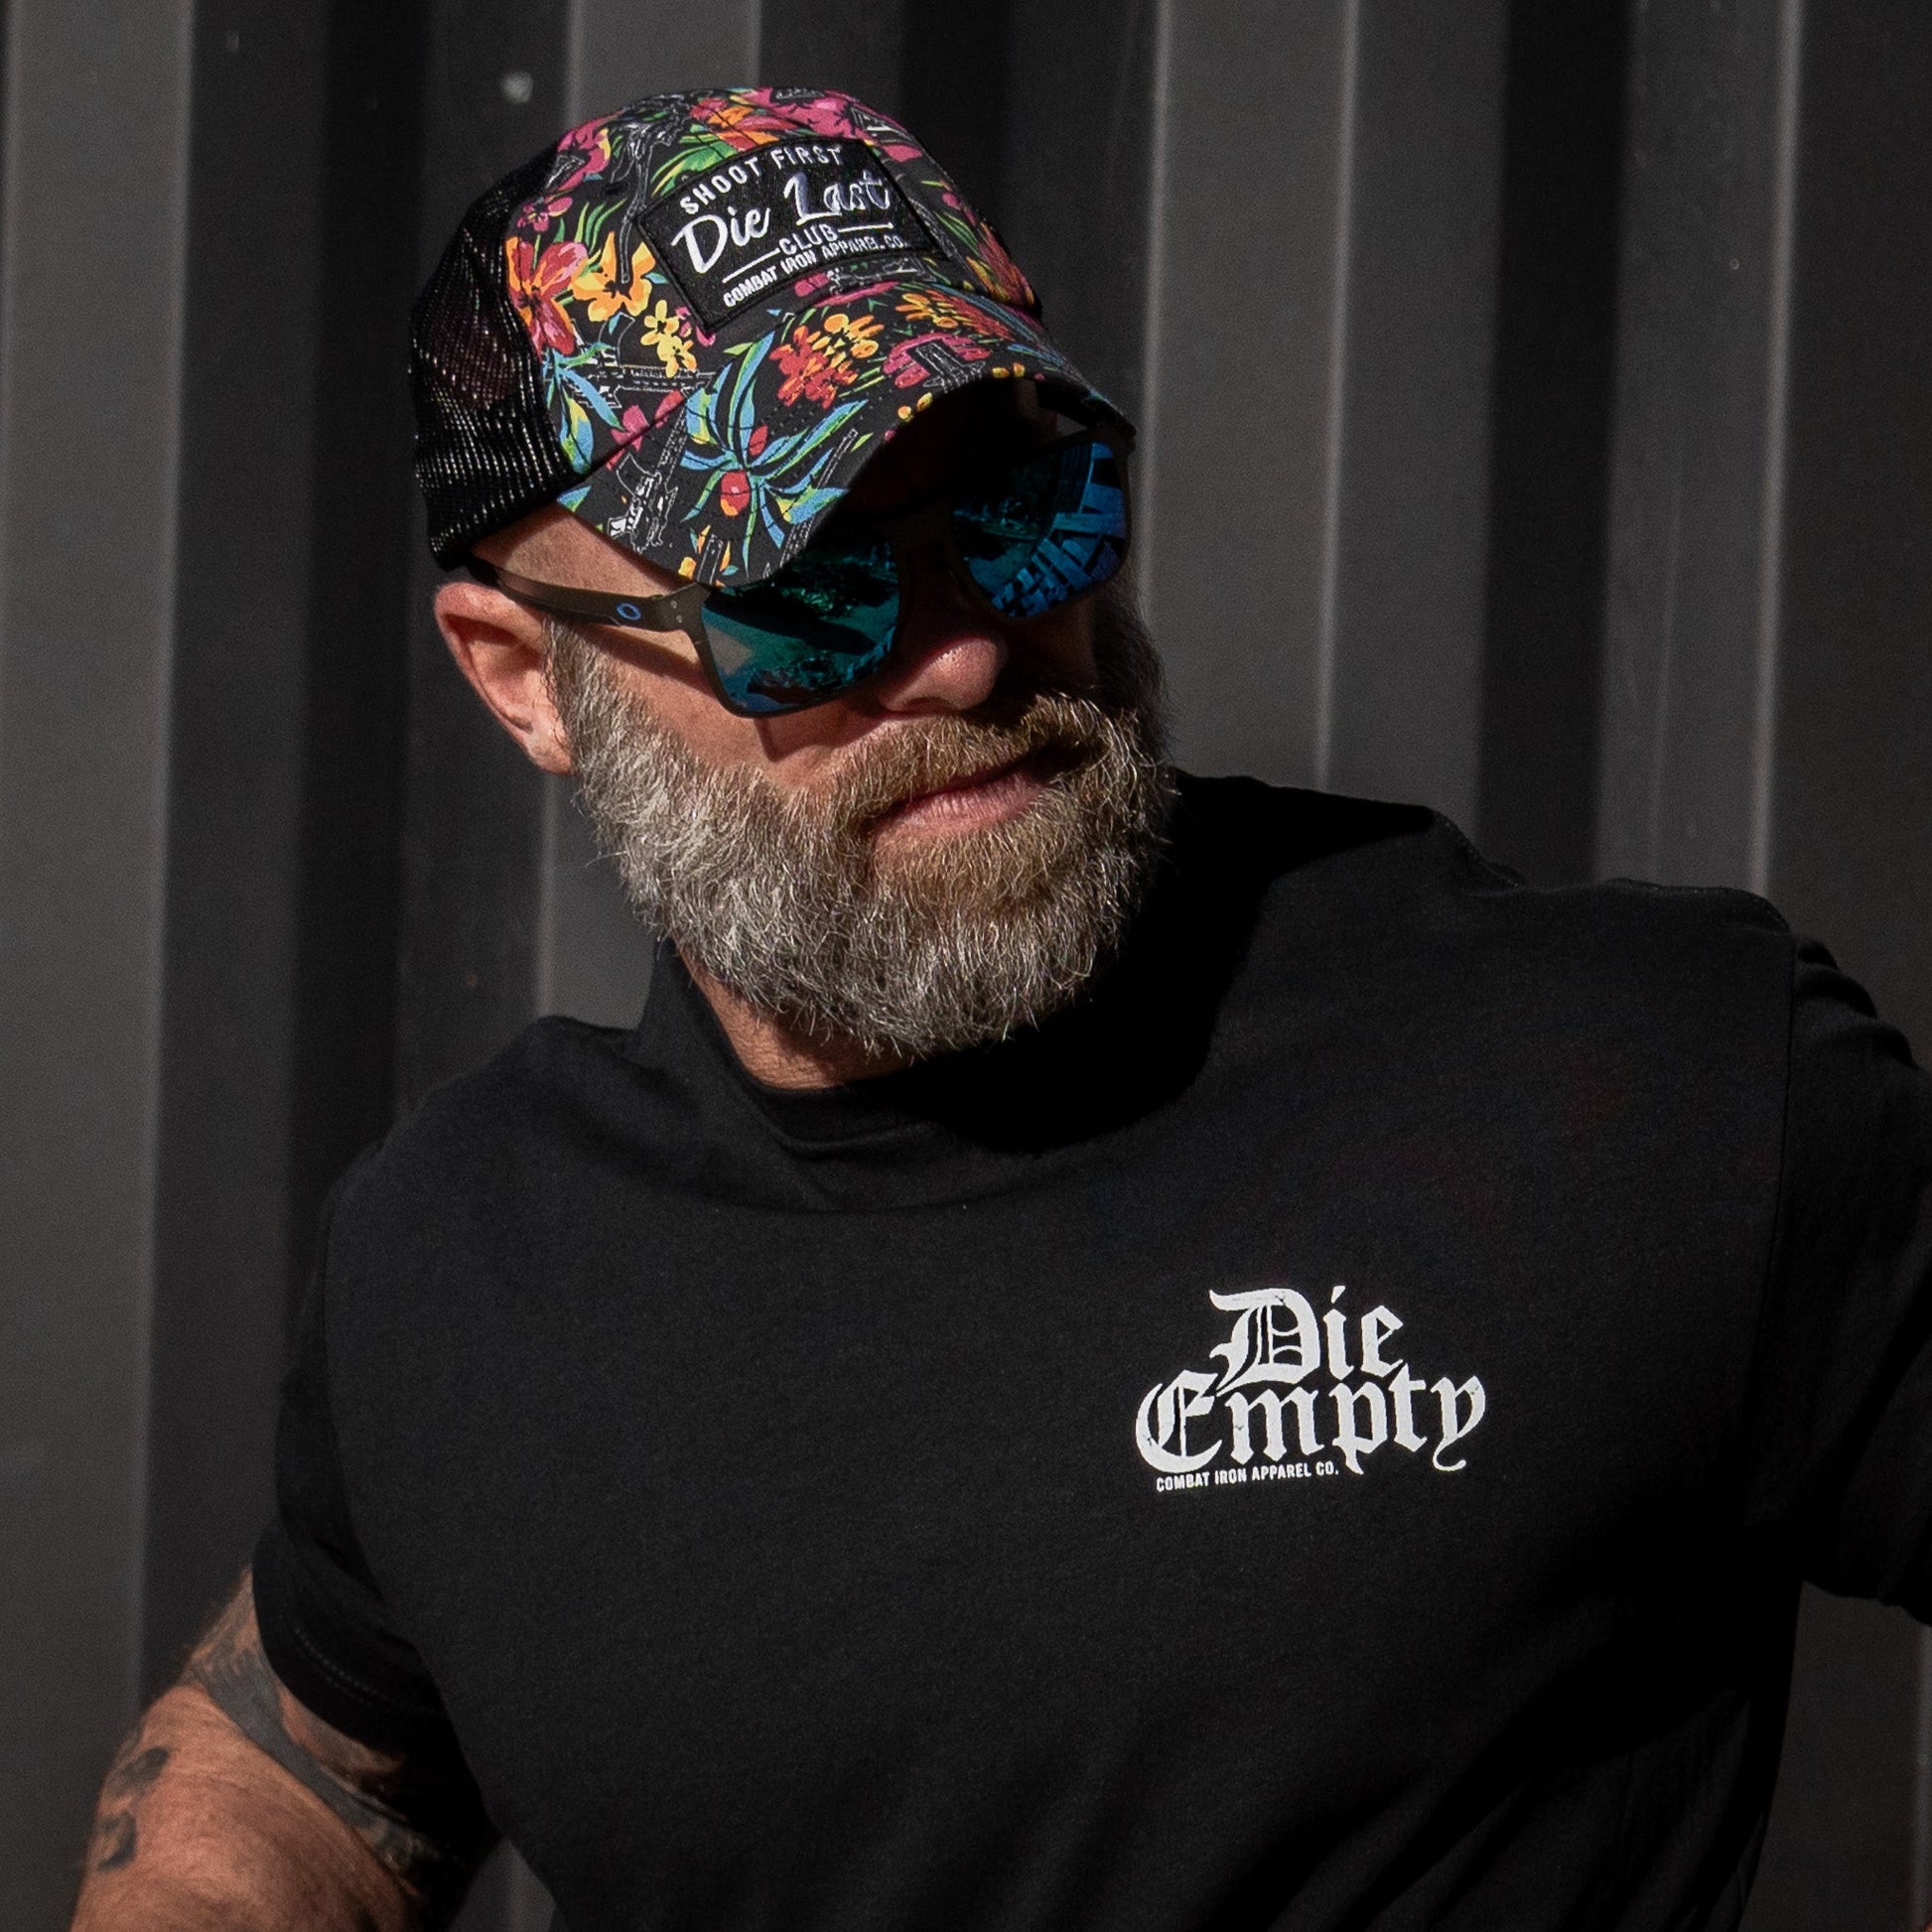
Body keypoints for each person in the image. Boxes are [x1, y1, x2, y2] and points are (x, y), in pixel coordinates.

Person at [69, 85, 1932, 1932]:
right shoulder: (458, 1263)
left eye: (1024, 511)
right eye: (806, 586)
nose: (965, 651)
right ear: (523, 676)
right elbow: (311, 1766)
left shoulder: (1634, 1075)